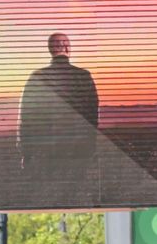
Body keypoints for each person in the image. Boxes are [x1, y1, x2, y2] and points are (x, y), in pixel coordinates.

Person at [18, 32, 99, 184]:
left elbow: (26, 119)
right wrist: (91, 149)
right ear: (68, 48)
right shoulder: (83, 76)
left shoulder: (37, 77)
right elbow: (92, 118)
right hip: (77, 150)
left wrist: (26, 153)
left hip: (46, 152)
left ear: (51, 49)